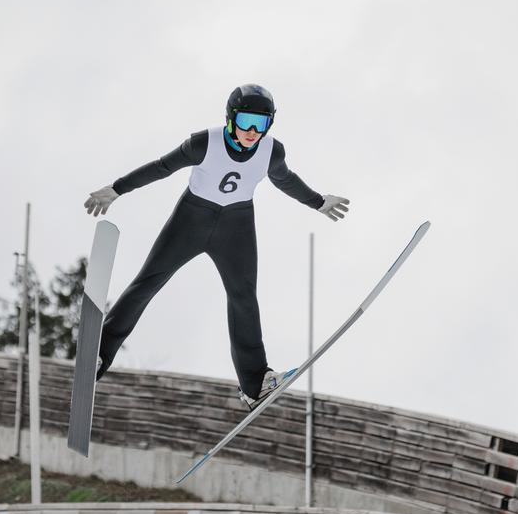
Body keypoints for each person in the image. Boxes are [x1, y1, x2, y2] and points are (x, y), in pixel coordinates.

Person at [84, 84, 349, 409]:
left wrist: (318, 202)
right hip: (190, 220)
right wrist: (117, 189)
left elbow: (286, 180)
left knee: (243, 296)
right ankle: (99, 352)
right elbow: (162, 167)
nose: (252, 132)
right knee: (149, 281)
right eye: (246, 122)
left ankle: (255, 384)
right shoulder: (203, 143)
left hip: (236, 226)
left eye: (261, 124)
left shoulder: (271, 152)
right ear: (231, 118)